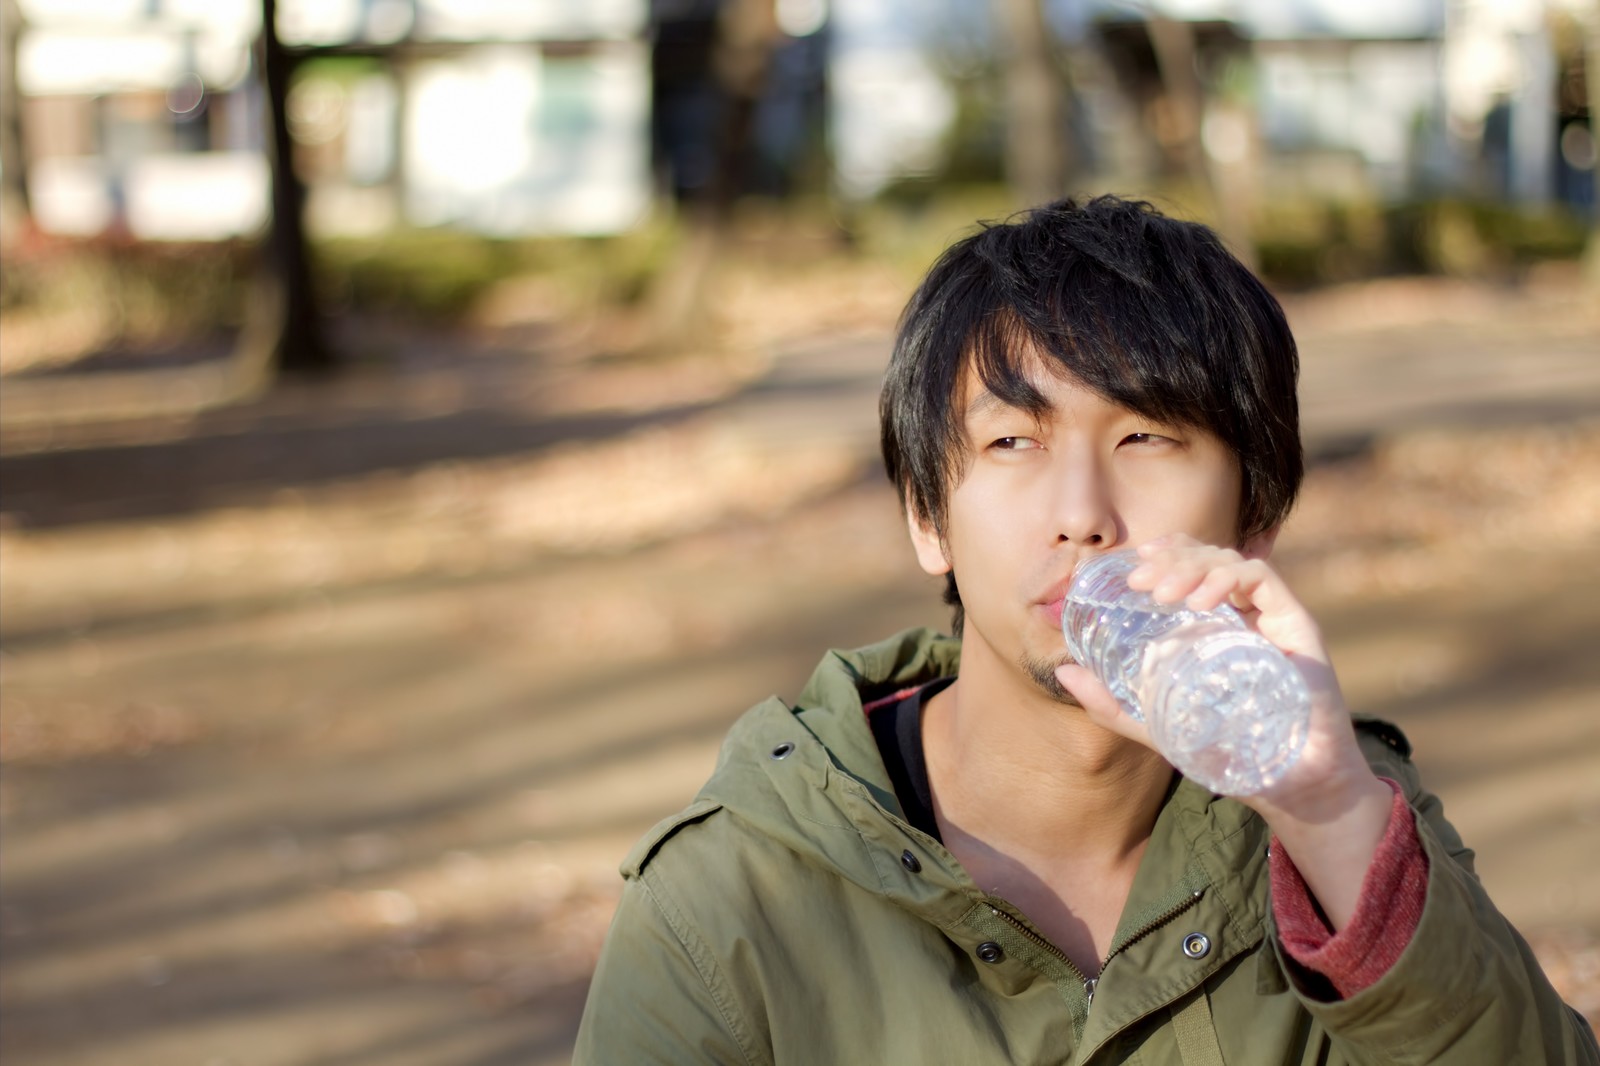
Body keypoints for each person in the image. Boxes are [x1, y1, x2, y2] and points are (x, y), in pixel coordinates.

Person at [573, 196, 1598, 1064]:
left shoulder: (1349, 821)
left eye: (1145, 435)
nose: (1082, 515)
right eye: (1013, 441)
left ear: (1256, 519)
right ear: (927, 516)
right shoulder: (731, 900)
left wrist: (1329, 819)